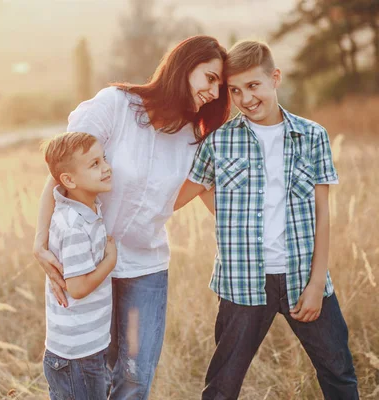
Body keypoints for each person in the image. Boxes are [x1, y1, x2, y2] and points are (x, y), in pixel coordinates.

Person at [34, 35, 231, 399]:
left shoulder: (193, 138)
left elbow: (192, 194)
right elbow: (61, 173)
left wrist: (255, 238)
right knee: (92, 375)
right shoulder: (115, 106)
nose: (215, 93)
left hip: (145, 269)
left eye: (220, 85)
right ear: (185, 66)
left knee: (136, 377)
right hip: (90, 265)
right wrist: (39, 243)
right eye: (210, 78)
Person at [176, 40, 359, 400]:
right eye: (235, 90)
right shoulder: (219, 141)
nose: (245, 98)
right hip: (242, 283)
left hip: (304, 278)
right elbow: (186, 191)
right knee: (222, 385)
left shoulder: (312, 136)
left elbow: (323, 213)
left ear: (275, 78)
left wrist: (317, 280)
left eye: (254, 85)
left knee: (338, 372)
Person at [40, 131, 117, 400]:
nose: (106, 167)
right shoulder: (74, 225)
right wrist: (110, 262)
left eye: (103, 159)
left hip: (87, 348)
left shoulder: (87, 209)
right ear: (69, 180)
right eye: (94, 164)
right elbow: (78, 287)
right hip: (76, 357)